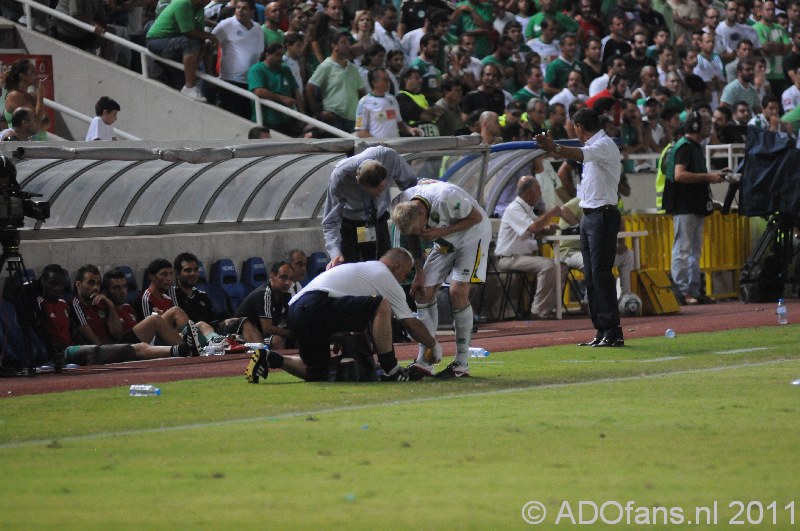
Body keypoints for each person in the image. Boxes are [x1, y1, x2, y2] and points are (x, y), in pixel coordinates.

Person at [246, 248, 441, 383]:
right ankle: (390, 369)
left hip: (298, 310)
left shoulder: (362, 269)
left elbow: (347, 312)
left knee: (315, 371)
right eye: (405, 275)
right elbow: (409, 323)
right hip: (316, 304)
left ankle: (270, 358)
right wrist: (433, 344)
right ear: (396, 267)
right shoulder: (384, 275)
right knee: (382, 304)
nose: (402, 280)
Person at [534, 107, 625, 347]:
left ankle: (613, 331)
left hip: (602, 215)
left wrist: (555, 148)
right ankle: (601, 330)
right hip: (589, 215)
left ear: (578, 126)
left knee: (601, 273)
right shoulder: (598, 146)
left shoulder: (604, 145)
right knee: (591, 273)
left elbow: (583, 155)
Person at [391, 180, 493, 379]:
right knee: (422, 293)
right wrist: (419, 273)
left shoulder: (447, 198)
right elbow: (413, 236)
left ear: (422, 214)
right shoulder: (403, 204)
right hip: (444, 242)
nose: (419, 233)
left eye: (420, 229)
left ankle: (461, 363)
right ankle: (425, 359)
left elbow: (476, 217)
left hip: (473, 235)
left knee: (457, 292)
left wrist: (440, 232)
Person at [662, 110, 725, 305]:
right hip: (684, 205)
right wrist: (709, 177)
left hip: (693, 204)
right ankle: (682, 291)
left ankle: (694, 290)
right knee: (683, 249)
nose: (710, 126)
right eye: (707, 123)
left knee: (693, 250)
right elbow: (680, 175)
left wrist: (713, 175)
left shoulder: (693, 146)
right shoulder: (686, 147)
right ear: (696, 125)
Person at [322, 146, 418, 268]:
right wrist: (335, 253)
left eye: (383, 188)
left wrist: (421, 187)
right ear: (361, 185)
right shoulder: (340, 176)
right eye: (375, 192)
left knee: (384, 266)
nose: (379, 194)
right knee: (349, 269)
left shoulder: (389, 156)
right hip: (351, 225)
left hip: (379, 220)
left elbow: (411, 184)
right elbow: (330, 221)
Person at [494, 175, 562, 319]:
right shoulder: (514, 208)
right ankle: (537, 311)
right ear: (529, 193)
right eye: (538, 190)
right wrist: (550, 214)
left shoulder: (526, 208)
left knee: (562, 266)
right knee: (548, 265)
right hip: (509, 258)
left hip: (521, 257)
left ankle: (549, 308)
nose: (540, 194)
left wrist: (548, 229)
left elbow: (536, 228)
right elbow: (533, 227)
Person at [146, 0, 218, 102]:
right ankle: (189, 87)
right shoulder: (182, 3)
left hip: (176, 42)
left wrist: (207, 42)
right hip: (156, 41)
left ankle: (209, 76)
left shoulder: (199, 8)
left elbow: (200, 36)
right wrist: (212, 37)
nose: (208, 2)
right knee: (191, 42)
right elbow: (189, 32)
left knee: (206, 44)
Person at [212, 0, 264, 119]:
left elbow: (259, 53)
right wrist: (210, 71)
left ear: (252, 11)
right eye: (238, 8)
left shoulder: (258, 29)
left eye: (244, 8)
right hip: (230, 80)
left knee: (246, 117)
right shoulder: (226, 25)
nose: (239, 11)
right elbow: (209, 45)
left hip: (250, 82)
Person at [305, 31, 365, 133]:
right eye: (343, 42)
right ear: (334, 45)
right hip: (334, 117)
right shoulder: (326, 66)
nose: (348, 45)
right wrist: (318, 112)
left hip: (353, 119)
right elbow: (309, 88)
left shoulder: (353, 68)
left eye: (348, 42)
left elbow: (362, 92)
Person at [247, 42, 305, 136]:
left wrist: (302, 114)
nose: (280, 59)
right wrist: (282, 98)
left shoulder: (285, 69)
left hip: (288, 118)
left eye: (282, 55)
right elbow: (259, 91)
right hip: (268, 121)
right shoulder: (256, 70)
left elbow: (295, 91)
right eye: (277, 55)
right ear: (267, 54)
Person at [234, 261, 293, 348]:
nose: (287, 283)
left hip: (260, 333)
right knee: (277, 340)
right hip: (240, 335)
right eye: (283, 278)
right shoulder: (265, 293)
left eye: (290, 278)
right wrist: (291, 333)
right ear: (273, 277)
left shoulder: (286, 296)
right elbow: (266, 328)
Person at [354, 68, 420, 138]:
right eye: (385, 79)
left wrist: (410, 129)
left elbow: (399, 122)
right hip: (378, 147)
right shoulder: (364, 102)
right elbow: (361, 132)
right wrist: (377, 143)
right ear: (374, 83)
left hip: (395, 144)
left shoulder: (392, 99)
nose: (388, 82)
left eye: (388, 79)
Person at [3, 58, 49, 140]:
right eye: (33, 72)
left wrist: (37, 126)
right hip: (26, 147)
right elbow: (36, 126)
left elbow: (47, 122)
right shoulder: (14, 96)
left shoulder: (32, 95)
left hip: (41, 144)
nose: (37, 74)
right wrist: (40, 96)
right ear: (23, 76)